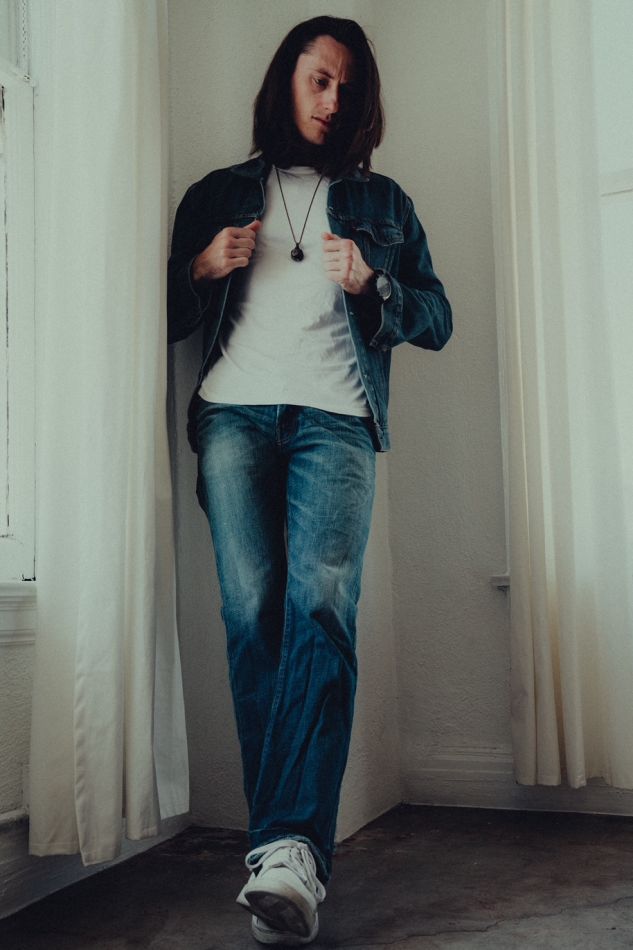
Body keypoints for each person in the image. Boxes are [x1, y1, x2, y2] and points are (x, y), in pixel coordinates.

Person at [167, 15, 452, 946]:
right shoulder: (218, 192)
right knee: (252, 614)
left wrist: (373, 283)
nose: (332, 99)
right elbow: (160, 307)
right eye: (318, 79)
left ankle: (288, 851)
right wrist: (201, 266)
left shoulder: (383, 202)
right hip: (235, 415)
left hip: (336, 421)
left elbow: (437, 317)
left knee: (320, 607)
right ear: (285, 80)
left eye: (346, 87)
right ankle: (281, 860)